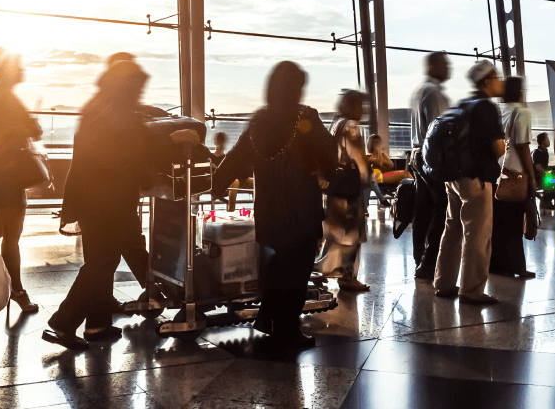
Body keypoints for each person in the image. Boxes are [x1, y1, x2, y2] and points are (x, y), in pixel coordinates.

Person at [47, 59, 200, 349]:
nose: (140, 94)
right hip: (109, 201)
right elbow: (130, 147)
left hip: (95, 199)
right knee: (102, 263)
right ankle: (62, 323)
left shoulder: (100, 104)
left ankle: (97, 325)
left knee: (102, 261)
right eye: (138, 88)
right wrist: (173, 137)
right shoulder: (114, 111)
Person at [213, 61, 337, 349]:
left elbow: (233, 158)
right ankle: (288, 330)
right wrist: (328, 172)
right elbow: (329, 155)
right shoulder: (305, 118)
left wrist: (218, 185)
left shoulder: (259, 122)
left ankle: (269, 320)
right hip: (301, 212)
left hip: (269, 213)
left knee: (276, 267)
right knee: (296, 273)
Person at [432, 60, 506, 305]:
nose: (501, 82)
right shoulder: (486, 107)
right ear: (487, 81)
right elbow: (497, 147)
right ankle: (472, 290)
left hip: (453, 176)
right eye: (497, 77)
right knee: (477, 234)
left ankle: (443, 283)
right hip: (476, 177)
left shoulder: (463, 104)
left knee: (452, 229)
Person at [0, 50, 40, 313]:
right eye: (18, 64)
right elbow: (34, 130)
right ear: (9, 70)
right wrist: (28, 127)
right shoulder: (9, 99)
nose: (23, 68)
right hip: (8, 175)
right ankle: (18, 291)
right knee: (11, 237)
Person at [319, 90, 371, 292]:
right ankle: (348, 277)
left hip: (336, 186)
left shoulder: (336, 123)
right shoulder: (351, 126)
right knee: (351, 234)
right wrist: (367, 178)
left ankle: (325, 272)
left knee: (334, 234)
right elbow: (358, 158)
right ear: (349, 106)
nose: (363, 110)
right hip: (349, 187)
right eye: (359, 105)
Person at [489, 76, 537, 279]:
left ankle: (497, 264)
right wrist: (531, 176)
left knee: (499, 222)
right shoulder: (522, 112)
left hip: (497, 172)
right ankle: (516, 266)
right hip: (515, 172)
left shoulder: (498, 111)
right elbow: (523, 146)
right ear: (520, 92)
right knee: (516, 221)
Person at [409, 52, 451, 279]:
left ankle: (419, 259)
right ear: (432, 66)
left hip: (417, 153)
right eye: (445, 64)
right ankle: (429, 261)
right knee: (442, 208)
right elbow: (439, 131)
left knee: (422, 210)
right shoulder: (434, 93)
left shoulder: (419, 91)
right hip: (431, 156)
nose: (449, 68)